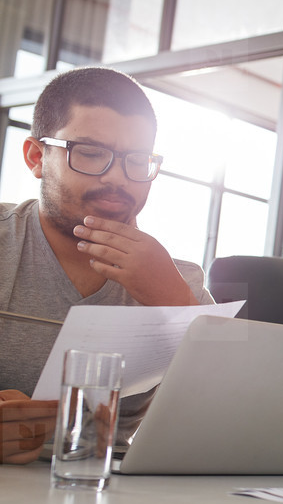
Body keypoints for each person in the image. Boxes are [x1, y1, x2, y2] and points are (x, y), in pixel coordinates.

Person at [0, 67, 213, 465]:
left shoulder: (179, 279)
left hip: (110, 503)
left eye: (136, 160)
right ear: (36, 157)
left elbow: (231, 413)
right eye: (90, 153)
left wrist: (177, 305)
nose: (117, 178)